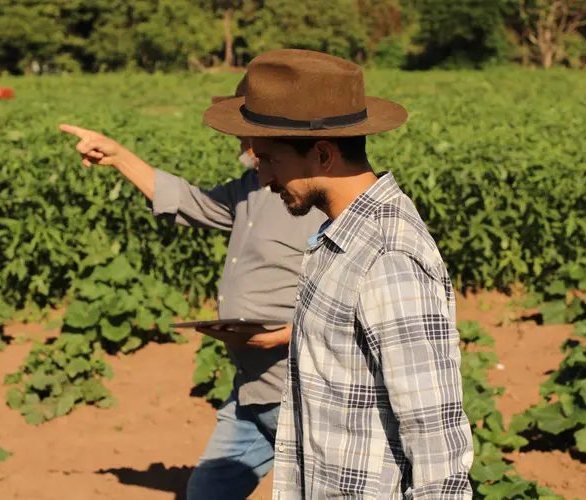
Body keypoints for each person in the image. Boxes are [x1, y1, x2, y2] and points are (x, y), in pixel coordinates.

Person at [202, 49, 474, 499]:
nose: (263, 178)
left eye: (269, 160)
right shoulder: (340, 236)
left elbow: (434, 434)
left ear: (323, 154)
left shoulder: (387, 256)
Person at [59, 81, 328, 500]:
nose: (240, 139)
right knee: (207, 491)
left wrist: (287, 333)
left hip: (302, 394)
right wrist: (119, 158)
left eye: (247, 129)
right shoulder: (251, 190)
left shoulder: (318, 202)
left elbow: (355, 303)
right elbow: (191, 204)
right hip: (253, 388)